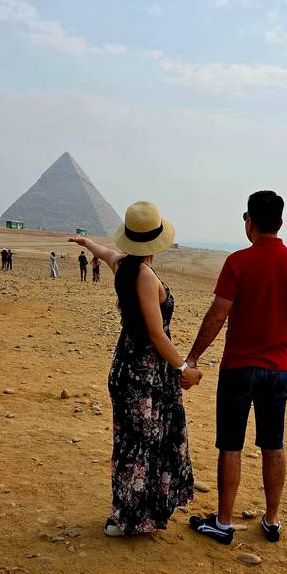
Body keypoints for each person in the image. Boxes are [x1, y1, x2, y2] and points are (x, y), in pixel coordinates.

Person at [184, 190, 287, 545]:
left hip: (239, 368)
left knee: (231, 445)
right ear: (281, 223)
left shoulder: (238, 262)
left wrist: (193, 357)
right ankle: (272, 519)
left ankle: (223, 522)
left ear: (249, 222)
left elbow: (217, 315)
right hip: (278, 369)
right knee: (273, 444)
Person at [68, 201, 201, 536]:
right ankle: (127, 517)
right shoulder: (143, 275)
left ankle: (133, 513)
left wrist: (88, 244)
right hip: (144, 374)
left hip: (126, 366)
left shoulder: (123, 265)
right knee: (142, 444)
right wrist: (185, 367)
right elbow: (156, 333)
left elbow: (107, 251)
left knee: (133, 442)